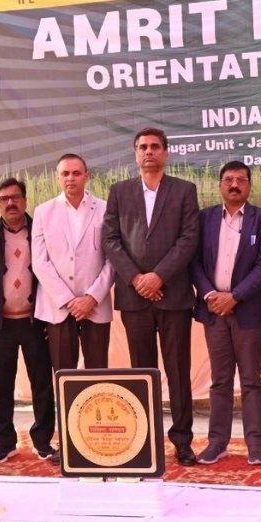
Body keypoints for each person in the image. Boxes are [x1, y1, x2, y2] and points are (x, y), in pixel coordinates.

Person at [102, 128, 201, 465]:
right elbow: (111, 239)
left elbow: (189, 238)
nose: (149, 152)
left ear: (166, 153)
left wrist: (159, 276)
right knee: (142, 373)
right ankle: (145, 439)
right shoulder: (120, 192)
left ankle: (182, 441)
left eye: (155, 147)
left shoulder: (184, 190)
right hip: (135, 299)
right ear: (135, 154)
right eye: (142, 147)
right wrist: (136, 278)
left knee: (178, 370)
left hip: (174, 296)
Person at [191, 160, 261, 465]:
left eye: (241, 180)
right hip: (213, 310)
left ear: (249, 185)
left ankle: (255, 444)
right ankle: (217, 443)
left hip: (249, 312)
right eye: (228, 179)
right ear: (220, 185)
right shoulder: (204, 218)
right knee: (220, 380)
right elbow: (194, 262)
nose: (234, 185)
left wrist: (236, 296)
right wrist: (210, 294)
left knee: (251, 379)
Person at [0, 178, 58, 464]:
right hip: (0, 324)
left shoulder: (42, 230)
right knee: (0, 384)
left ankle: (43, 441)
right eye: (4, 199)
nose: (10, 203)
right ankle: (4, 443)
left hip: (36, 322)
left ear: (25, 200)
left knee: (42, 383)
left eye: (15, 197)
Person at [33, 154, 114, 373]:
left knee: (98, 373)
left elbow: (113, 260)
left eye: (76, 173)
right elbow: (40, 262)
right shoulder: (43, 212)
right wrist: (68, 300)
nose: (71, 178)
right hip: (58, 306)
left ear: (87, 176)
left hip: (95, 305)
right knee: (64, 374)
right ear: (57, 178)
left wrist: (91, 297)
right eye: (65, 173)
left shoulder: (106, 209)